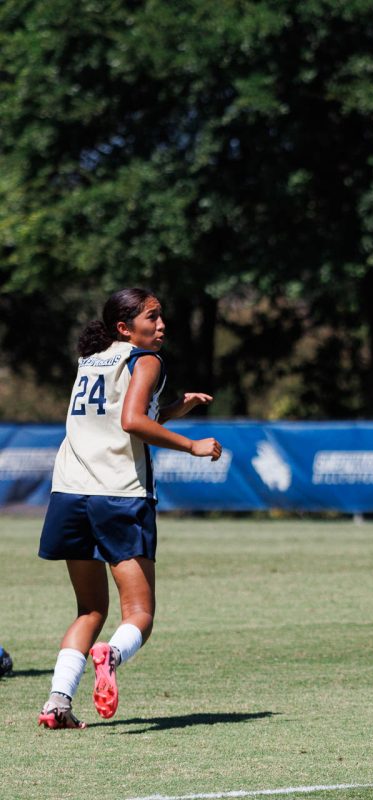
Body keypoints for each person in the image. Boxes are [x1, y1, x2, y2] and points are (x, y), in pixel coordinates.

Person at [36, 288, 222, 729]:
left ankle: (57, 704)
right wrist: (192, 445)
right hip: (119, 495)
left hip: (68, 494)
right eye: (152, 318)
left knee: (89, 611)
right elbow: (132, 422)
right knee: (140, 614)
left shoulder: (94, 359)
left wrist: (176, 407)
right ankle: (111, 655)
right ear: (125, 327)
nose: (161, 326)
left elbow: (122, 416)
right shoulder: (147, 360)